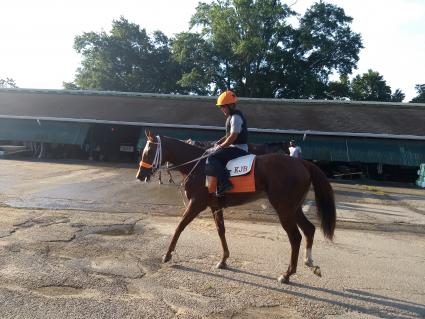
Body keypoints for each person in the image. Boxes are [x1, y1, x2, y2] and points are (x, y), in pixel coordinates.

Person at [206, 90, 249, 196]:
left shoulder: (235, 118)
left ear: (230, 105)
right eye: (221, 107)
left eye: (223, 106)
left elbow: (233, 136)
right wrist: (219, 142)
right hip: (235, 147)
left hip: (239, 149)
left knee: (212, 158)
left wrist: (221, 146)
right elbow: (228, 135)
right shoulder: (231, 117)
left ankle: (224, 183)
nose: (221, 109)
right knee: (210, 152)